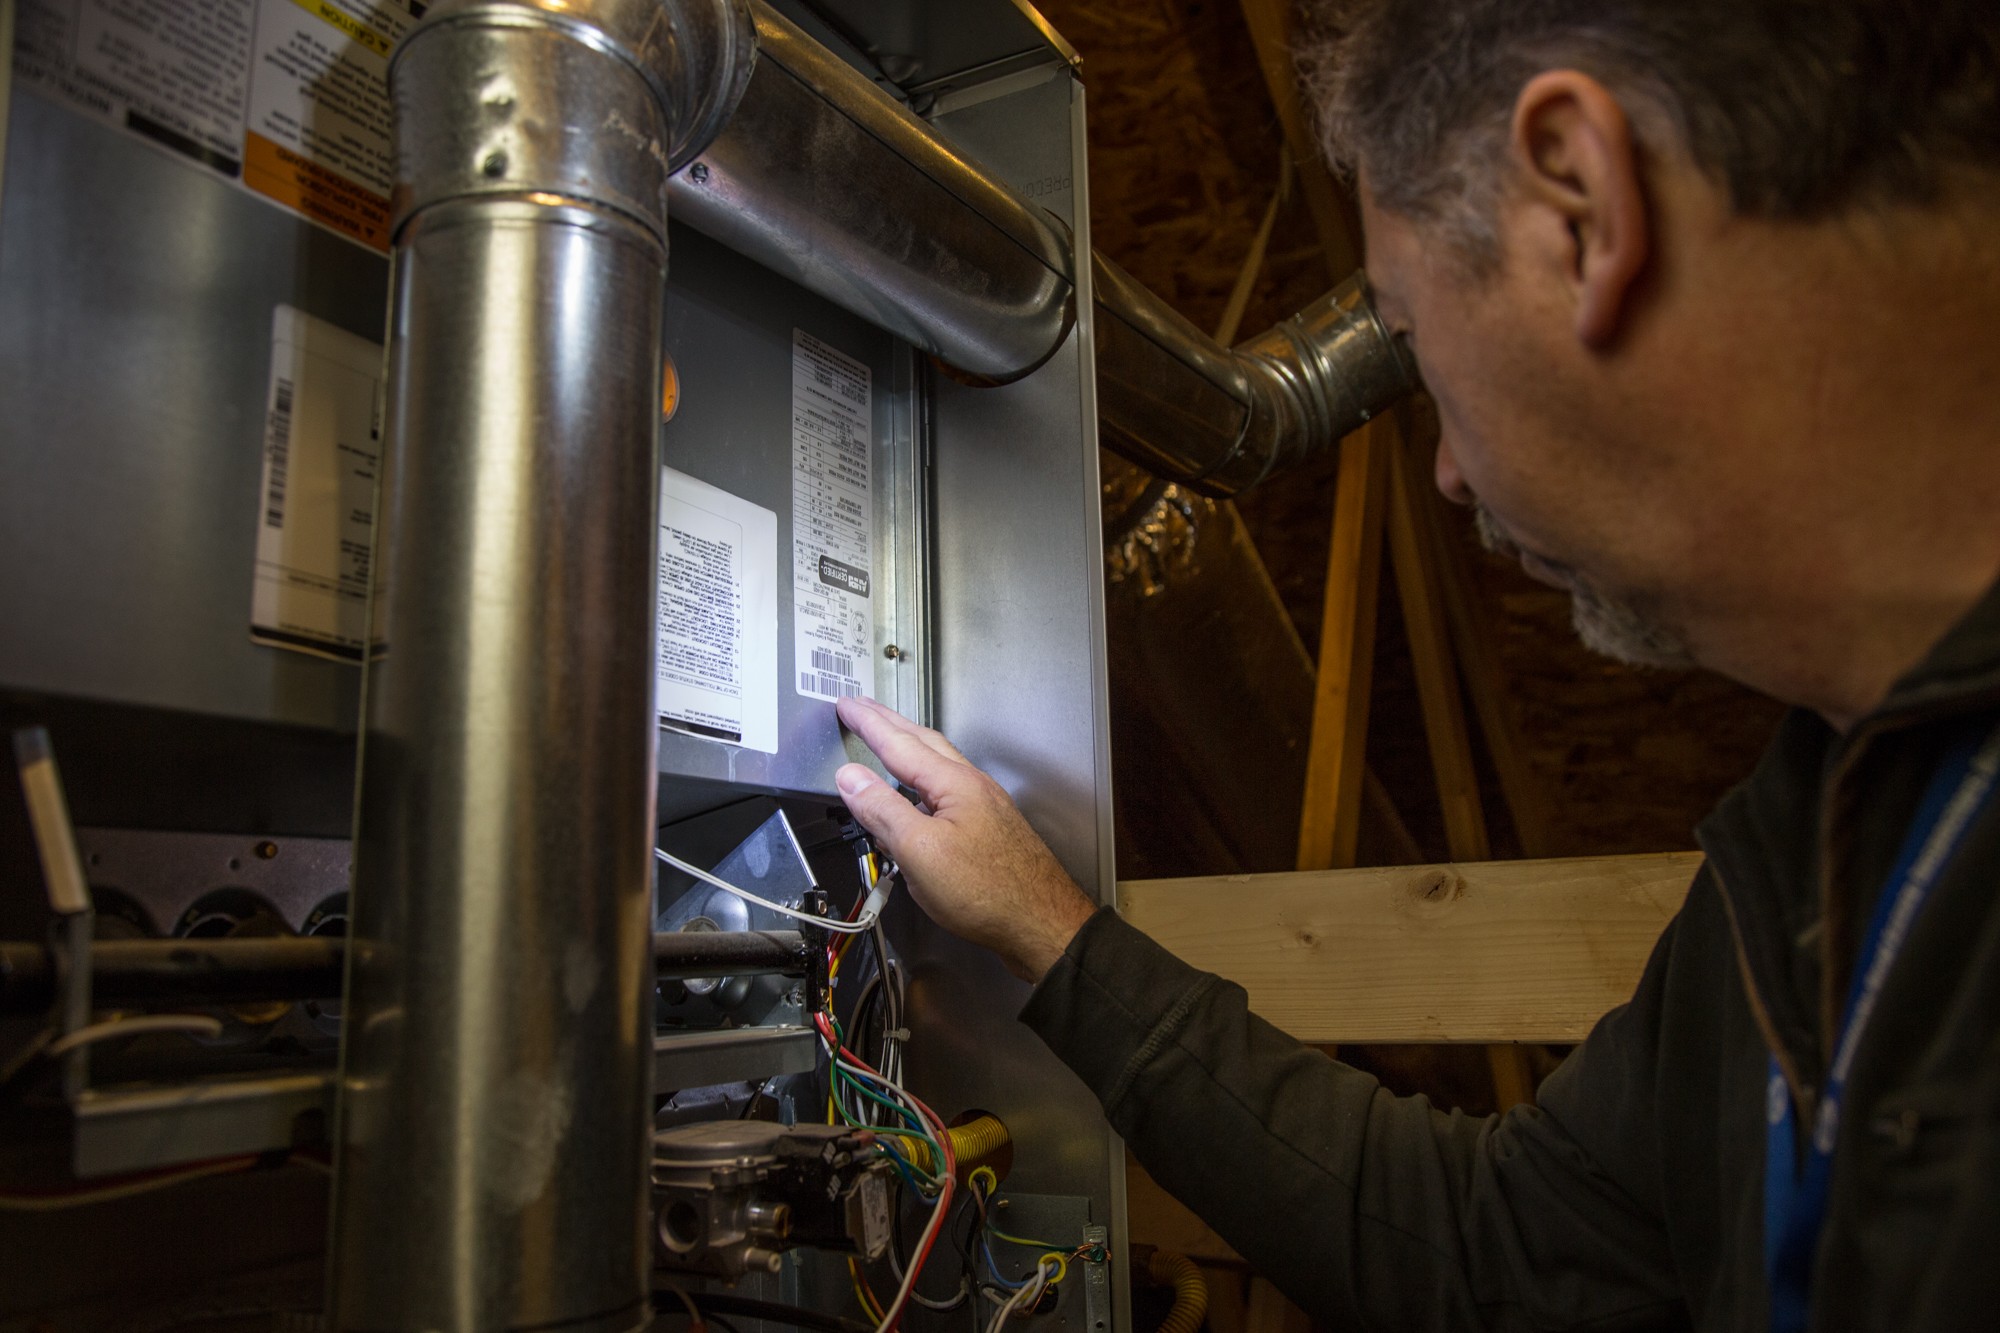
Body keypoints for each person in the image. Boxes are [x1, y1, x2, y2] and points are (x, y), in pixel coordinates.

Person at [834, 0, 2000, 1328]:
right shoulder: (1828, 827)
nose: (1445, 468)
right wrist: (1055, 936)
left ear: (1579, 199)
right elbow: (1507, 1245)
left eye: (1414, 338)